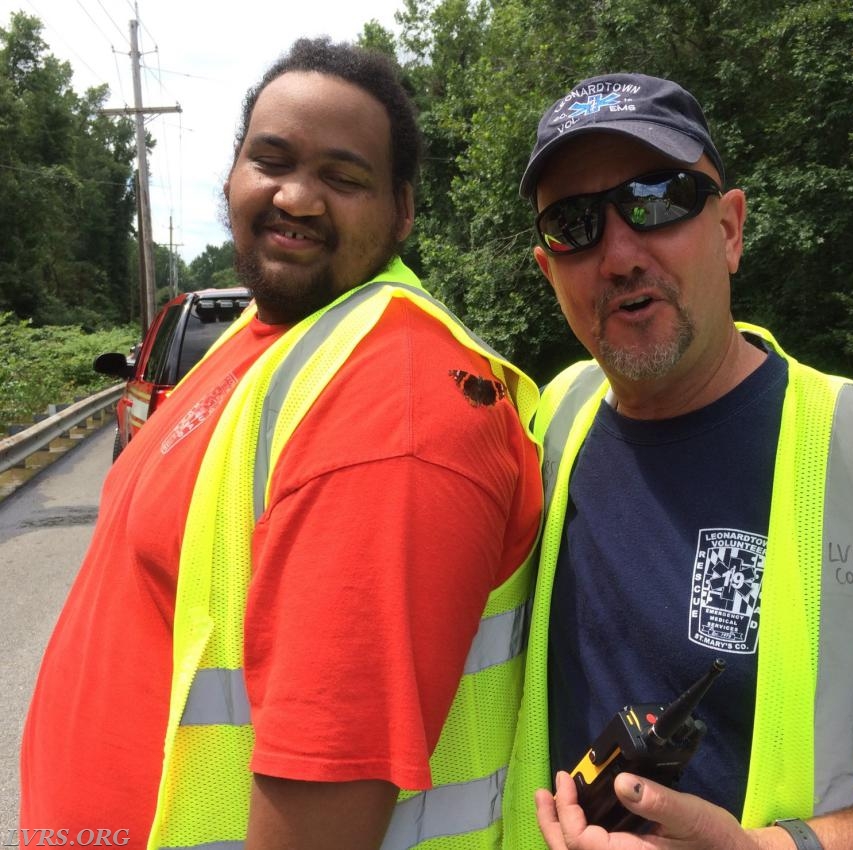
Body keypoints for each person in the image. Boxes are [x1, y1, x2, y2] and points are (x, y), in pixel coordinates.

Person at [20, 39, 542, 850]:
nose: (296, 197)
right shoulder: (266, 340)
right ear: (231, 176)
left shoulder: (392, 409)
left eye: (343, 176)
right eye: (271, 160)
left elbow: (324, 797)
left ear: (402, 211)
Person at [501, 72, 853, 850]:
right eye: (574, 224)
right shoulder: (553, 425)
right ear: (550, 273)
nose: (617, 254)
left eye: (658, 198)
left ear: (731, 229)